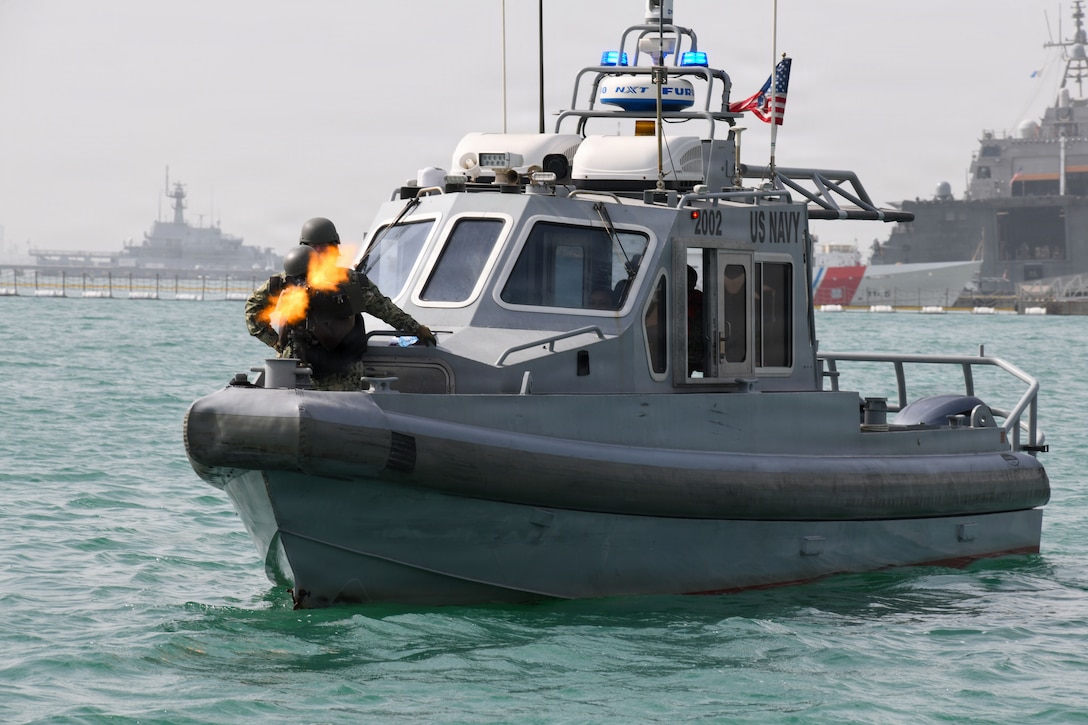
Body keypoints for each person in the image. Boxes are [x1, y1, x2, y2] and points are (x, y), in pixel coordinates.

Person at [245, 217, 436, 389]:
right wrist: (278, 344)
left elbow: (385, 309)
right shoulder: (292, 281)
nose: (320, 253)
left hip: (332, 371)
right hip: (314, 371)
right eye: (315, 248)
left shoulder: (343, 281)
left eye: (323, 248)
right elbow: (253, 311)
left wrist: (415, 328)